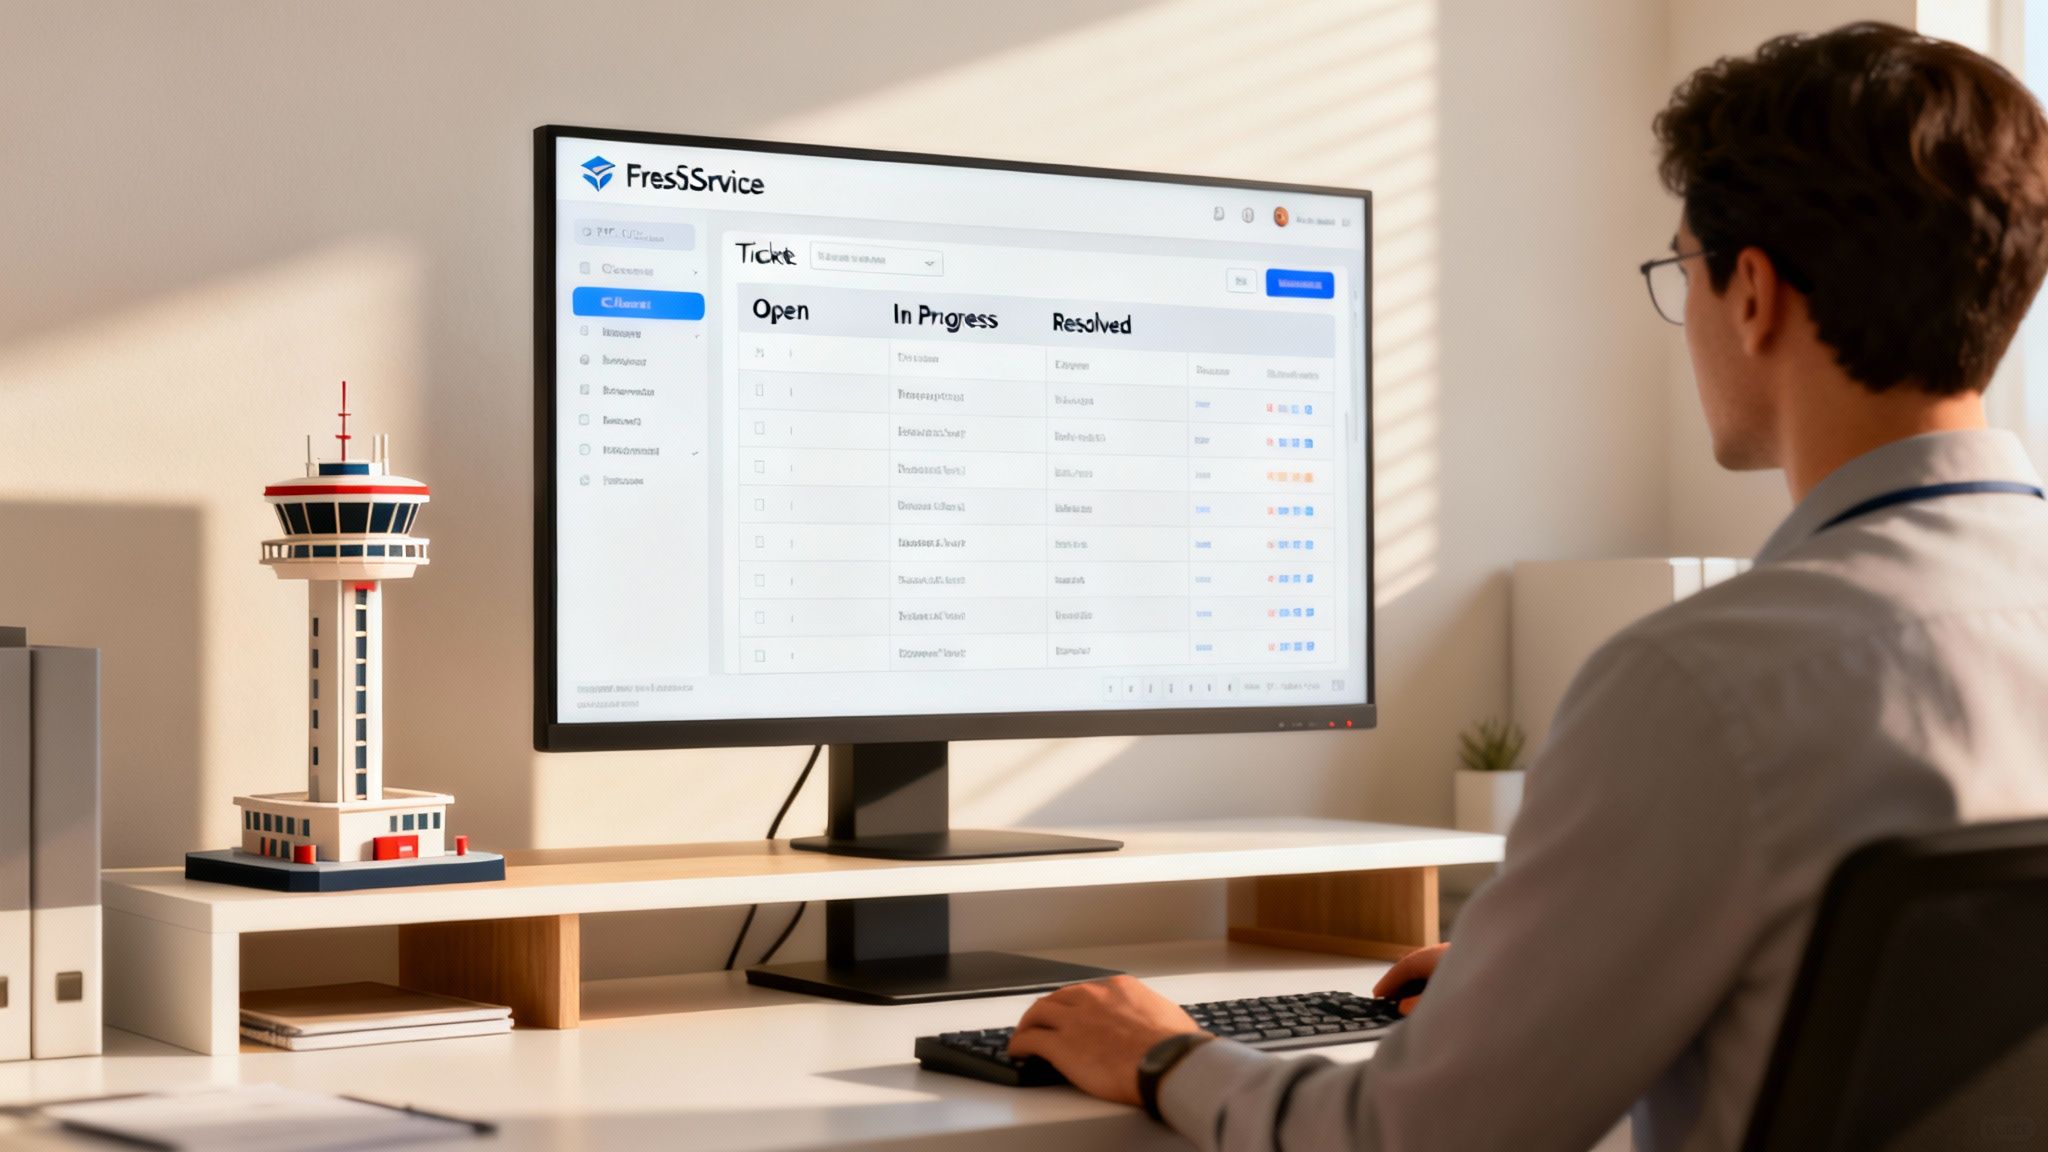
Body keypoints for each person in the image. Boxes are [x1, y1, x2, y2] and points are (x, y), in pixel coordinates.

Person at [1005, 22, 2048, 1152]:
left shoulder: (1703, 682)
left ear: (1750, 293)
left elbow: (1412, 1137)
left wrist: (1161, 1053)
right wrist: (1557, 977)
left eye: (1679, 273)